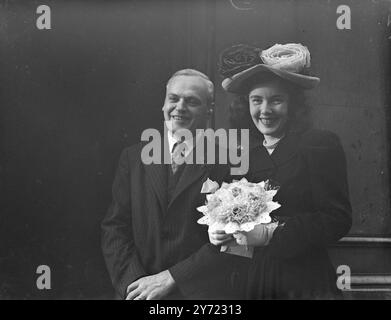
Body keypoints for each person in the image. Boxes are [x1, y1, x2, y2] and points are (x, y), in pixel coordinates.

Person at [208, 43, 353, 299]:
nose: (265, 110)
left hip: (304, 281)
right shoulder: (243, 155)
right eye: (257, 100)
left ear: (293, 105)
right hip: (252, 282)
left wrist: (269, 233)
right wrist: (221, 230)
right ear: (246, 105)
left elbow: (336, 218)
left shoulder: (318, 144)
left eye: (276, 100)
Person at [101, 69, 242, 300]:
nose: (180, 107)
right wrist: (135, 283)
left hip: (199, 296)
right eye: (173, 99)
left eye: (192, 101)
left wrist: (173, 278)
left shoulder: (228, 162)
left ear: (209, 110)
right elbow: (114, 228)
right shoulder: (133, 157)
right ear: (163, 104)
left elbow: (235, 242)